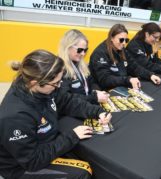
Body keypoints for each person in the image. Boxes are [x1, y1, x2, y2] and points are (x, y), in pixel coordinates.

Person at [0, 50, 112, 179]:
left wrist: (97, 112)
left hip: (44, 144)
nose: (59, 86)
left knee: (87, 153)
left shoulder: (43, 87)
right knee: (83, 172)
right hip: (19, 168)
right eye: (55, 83)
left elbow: (67, 101)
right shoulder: (15, 117)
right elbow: (33, 161)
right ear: (34, 83)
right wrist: (71, 136)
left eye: (60, 81)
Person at [89, 23, 161, 90]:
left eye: (126, 40)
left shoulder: (121, 49)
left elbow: (134, 66)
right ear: (111, 38)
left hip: (119, 86)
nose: (124, 43)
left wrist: (150, 75)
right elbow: (105, 80)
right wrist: (128, 80)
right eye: (121, 40)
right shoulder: (100, 53)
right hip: (103, 90)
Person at [58, 29, 109, 104]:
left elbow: (92, 81)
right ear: (68, 47)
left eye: (85, 50)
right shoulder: (59, 68)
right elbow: (66, 99)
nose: (83, 54)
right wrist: (94, 97)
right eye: (80, 50)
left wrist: (95, 91)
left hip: (86, 107)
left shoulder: (81, 63)